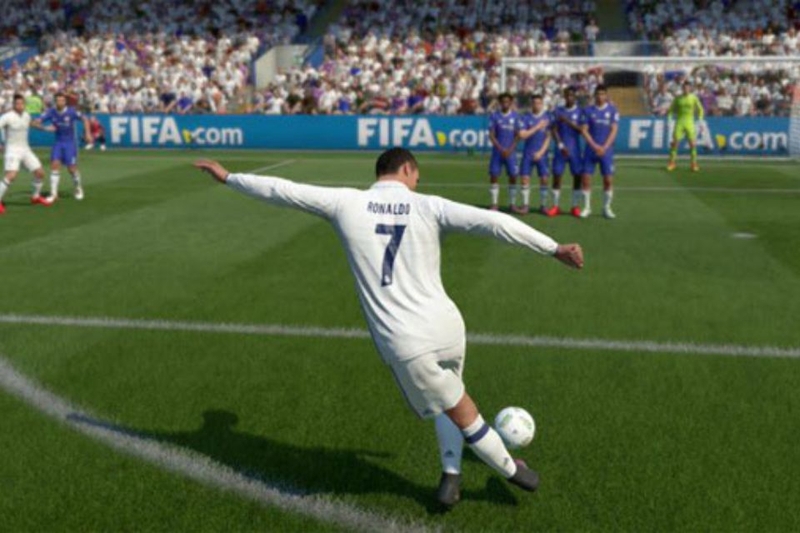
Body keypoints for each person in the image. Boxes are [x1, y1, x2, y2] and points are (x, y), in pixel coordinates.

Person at [194, 148, 584, 508]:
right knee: (451, 398)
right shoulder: (428, 205)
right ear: (407, 169)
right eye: (417, 176)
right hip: (447, 325)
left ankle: (516, 472)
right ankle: (451, 475)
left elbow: (283, 190)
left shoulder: (346, 202)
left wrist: (230, 178)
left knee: (463, 413)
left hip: (407, 342)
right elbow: (494, 222)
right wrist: (553, 247)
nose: (417, 182)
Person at [0, 94, 56, 214]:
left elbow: (33, 124)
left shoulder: (26, 115)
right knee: (11, 176)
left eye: (22, 103)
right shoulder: (7, 117)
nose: (20, 106)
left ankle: (35, 197)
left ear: (24, 104)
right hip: (12, 151)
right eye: (17, 103)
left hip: (25, 149)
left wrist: (47, 129)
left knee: (40, 173)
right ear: (13, 105)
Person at [34, 92, 92, 201]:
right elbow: (36, 122)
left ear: (65, 102)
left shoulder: (71, 111)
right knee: (54, 165)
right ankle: (54, 194)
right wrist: (43, 127)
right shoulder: (51, 112)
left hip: (70, 143)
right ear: (55, 101)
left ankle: (78, 187)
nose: (60, 102)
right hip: (58, 142)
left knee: (71, 169)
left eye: (62, 100)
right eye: (58, 100)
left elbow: (85, 119)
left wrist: (87, 133)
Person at [579, 85, 619, 219]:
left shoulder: (612, 110)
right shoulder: (588, 110)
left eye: (602, 94)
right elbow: (584, 130)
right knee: (586, 179)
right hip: (591, 150)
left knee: (608, 180)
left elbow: (614, 130)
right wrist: (595, 146)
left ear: (606, 95)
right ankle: (587, 207)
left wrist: (604, 147)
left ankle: (606, 208)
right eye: (598, 94)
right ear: (594, 95)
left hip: (606, 151)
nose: (600, 96)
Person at [550, 87, 584, 218]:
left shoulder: (580, 111)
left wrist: (567, 121)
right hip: (561, 149)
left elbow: (581, 130)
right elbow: (553, 129)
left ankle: (575, 206)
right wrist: (560, 145)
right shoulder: (558, 111)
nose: (569, 98)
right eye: (567, 95)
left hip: (575, 149)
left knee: (577, 176)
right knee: (557, 175)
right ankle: (555, 206)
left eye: (572, 95)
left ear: (575, 97)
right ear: (564, 97)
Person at [516, 94, 552, 215]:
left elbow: (548, 137)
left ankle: (543, 205)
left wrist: (541, 152)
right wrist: (537, 127)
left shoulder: (547, 118)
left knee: (544, 179)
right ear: (531, 104)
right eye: (534, 103)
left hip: (542, 154)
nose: (536, 105)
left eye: (539, 103)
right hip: (528, 152)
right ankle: (525, 205)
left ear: (542, 104)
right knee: (525, 179)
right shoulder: (525, 118)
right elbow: (523, 135)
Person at [487, 93, 520, 211]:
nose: (505, 103)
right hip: (498, 152)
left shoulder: (515, 116)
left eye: (507, 101)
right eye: (503, 101)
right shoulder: (494, 116)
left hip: (511, 152)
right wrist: (501, 149)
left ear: (510, 102)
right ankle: (494, 203)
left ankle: (512, 204)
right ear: (500, 103)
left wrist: (510, 149)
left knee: (513, 176)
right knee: (494, 176)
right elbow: (491, 135)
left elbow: (518, 135)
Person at [667, 81, 705, 172]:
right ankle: (672, 163)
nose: (686, 89)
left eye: (687, 88)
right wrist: (669, 120)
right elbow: (671, 110)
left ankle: (694, 164)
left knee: (692, 144)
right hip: (679, 122)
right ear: (682, 88)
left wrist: (700, 120)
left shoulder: (694, 98)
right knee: (675, 143)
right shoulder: (678, 98)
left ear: (690, 88)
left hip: (690, 122)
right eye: (684, 88)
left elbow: (701, 109)